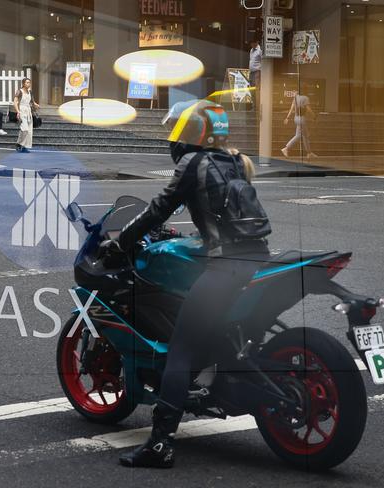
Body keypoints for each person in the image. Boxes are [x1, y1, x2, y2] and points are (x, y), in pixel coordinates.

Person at [115, 100, 270, 469]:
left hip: (226, 266)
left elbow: (159, 208)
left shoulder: (193, 164)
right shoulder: (236, 161)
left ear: (191, 134)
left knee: (180, 351)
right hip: (258, 259)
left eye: (179, 130)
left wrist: (122, 239)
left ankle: (160, 445)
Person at [281, 93, 317, 159]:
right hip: (302, 119)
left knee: (304, 136)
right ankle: (286, 148)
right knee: (299, 136)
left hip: (296, 118)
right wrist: (314, 116)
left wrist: (287, 117)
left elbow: (291, 109)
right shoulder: (305, 98)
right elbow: (308, 109)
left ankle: (309, 153)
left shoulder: (296, 97)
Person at [13, 78, 39, 153]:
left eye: (29, 82)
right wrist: (18, 112)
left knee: (29, 131)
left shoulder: (30, 92)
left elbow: (32, 102)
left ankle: (24, 147)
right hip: (22, 110)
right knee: (24, 129)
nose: (29, 84)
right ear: (23, 83)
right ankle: (19, 143)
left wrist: (36, 104)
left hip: (28, 111)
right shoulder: (19, 91)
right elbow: (15, 102)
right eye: (27, 82)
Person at [248, 40, 262, 109]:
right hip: (251, 72)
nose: (251, 44)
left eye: (252, 43)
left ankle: (257, 106)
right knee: (251, 89)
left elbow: (263, 61)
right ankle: (254, 105)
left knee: (257, 89)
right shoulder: (251, 50)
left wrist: (260, 70)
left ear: (256, 42)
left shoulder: (260, 50)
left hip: (257, 72)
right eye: (251, 43)